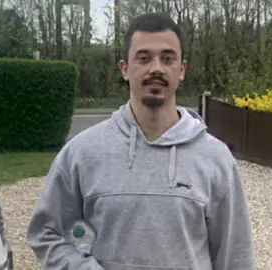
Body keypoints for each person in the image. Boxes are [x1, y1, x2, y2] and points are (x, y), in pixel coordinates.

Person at [26, 12, 256, 270]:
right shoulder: (82, 153)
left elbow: (236, 256)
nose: (156, 68)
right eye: (144, 58)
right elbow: (47, 232)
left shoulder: (215, 159)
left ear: (182, 70)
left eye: (167, 59)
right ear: (125, 69)